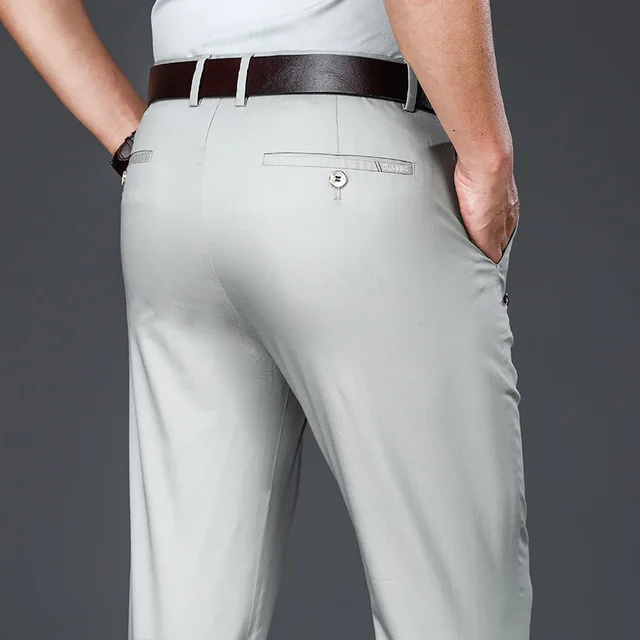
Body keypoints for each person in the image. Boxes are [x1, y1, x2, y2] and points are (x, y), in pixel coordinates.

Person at [1, 0, 532, 638]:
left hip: (171, 161)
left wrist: (139, 143)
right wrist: (489, 161)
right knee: (456, 609)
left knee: (189, 620)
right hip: (346, 144)